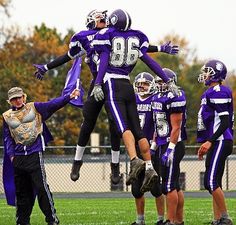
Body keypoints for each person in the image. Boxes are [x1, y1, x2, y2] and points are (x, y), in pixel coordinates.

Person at [33, 9, 179, 185]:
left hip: (109, 83)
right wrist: (47, 67)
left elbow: (131, 50)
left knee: (116, 126)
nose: (103, 19)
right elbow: (68, 56)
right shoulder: (84, 37)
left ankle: (116, 165)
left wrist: (160, 48)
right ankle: (77, 161)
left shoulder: (109, 35)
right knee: (88, 121)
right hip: (101, 83)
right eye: (99, 18)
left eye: (105, 18)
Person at [91, 8, 179, 191]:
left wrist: (98, 83)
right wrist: (167, 79)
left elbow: (105, 58)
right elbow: (149, 61)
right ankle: (149, 167)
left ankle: (134, 160)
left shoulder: (106, 35)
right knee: (139, 131)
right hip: (127, 84)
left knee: (124, 127)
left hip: (113, 84)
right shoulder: (136, 37)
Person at [2, 86, 79, 225]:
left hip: (34, 154)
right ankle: (22, 221)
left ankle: (52, 219)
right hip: (18, 158)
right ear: (10, 101)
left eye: (19, 97)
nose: (17, 100)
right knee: (22, 193)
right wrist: (12, 155)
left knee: (42, 188)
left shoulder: (35, 107)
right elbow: (7, 138)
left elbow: (52, 104)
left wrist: (69, 97)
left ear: (24, 97)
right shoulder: (6, 116)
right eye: (14, 99)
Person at [197, 60, 234, 225]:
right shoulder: (211, 92)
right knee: (215, 182)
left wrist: (210, 141)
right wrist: (206, 141)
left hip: (220, 140)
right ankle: (217, 219)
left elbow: (224, 122)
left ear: (215, 74)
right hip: (215, 140)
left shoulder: (218, 91)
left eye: (207, 71)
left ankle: (225, 218)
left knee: (210, 181)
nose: (204, 74)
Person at [152, 68, 186, 225]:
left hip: (173, 144)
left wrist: (170, 149)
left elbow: (176, 127)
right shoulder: (157, 96)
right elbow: (157, 125)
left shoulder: (175, 96)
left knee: (168, 185)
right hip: (161, 143)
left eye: (161, 81)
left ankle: (170, 221)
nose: (159, 84)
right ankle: (179, 221)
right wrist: (153, 146)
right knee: (175, 185)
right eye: (157, 81)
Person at [131, 72, 165, 225]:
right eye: (139, 83)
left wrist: (153, 146)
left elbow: (160, 127)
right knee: (136, 189)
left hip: (152, 149)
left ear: (151, 85)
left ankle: (160, 219)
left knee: (156, 188)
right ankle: (140, 220)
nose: (141, 86)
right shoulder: (131, 101)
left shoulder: (156, 100)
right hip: (137, 150)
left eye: (144, 83)